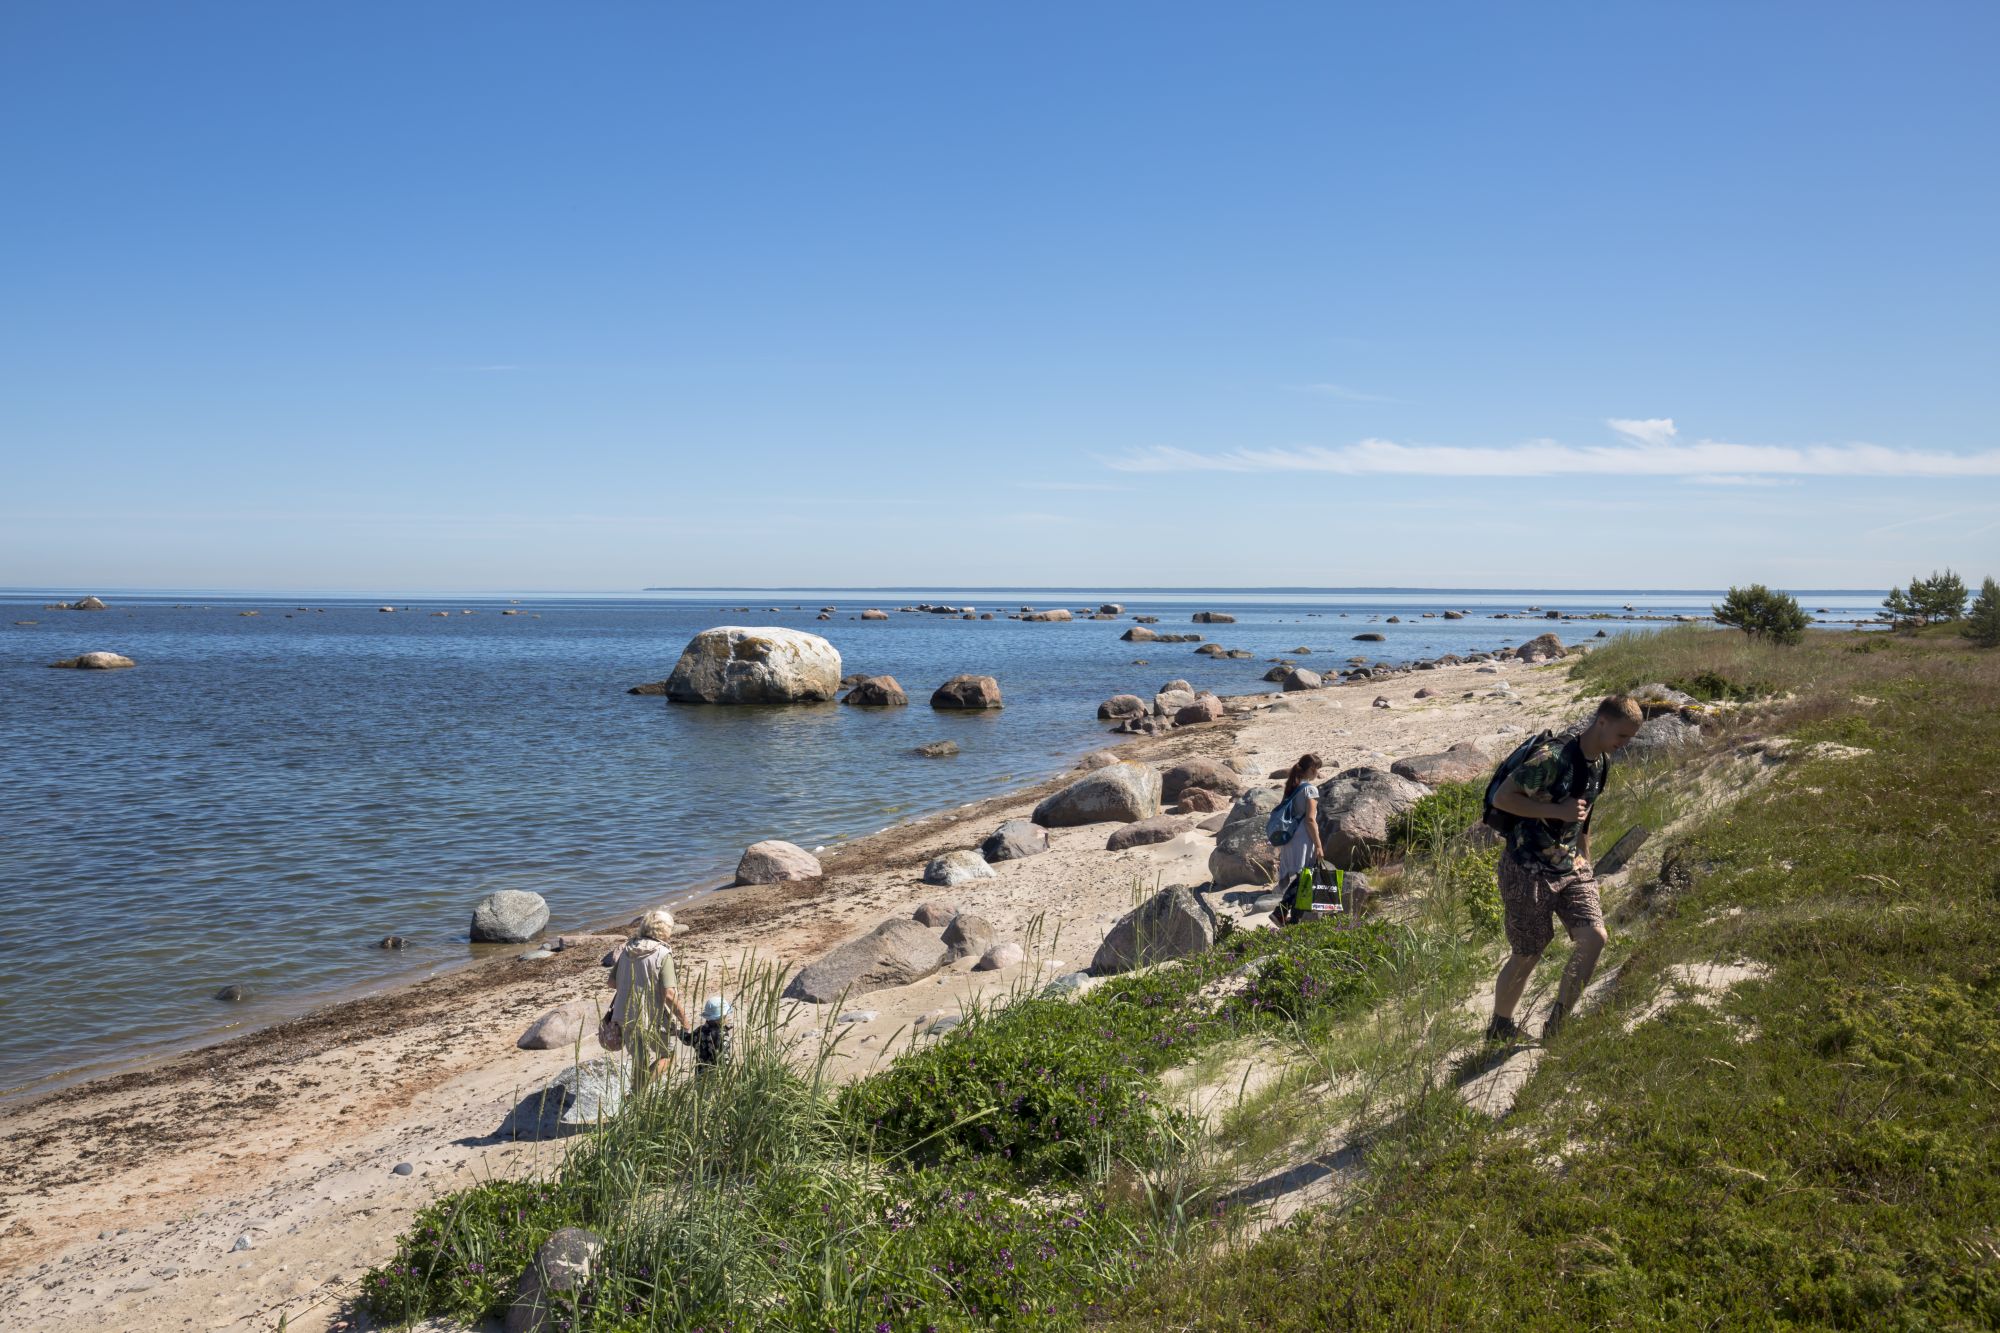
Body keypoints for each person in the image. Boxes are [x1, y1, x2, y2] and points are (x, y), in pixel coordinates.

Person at [1485, 695, 1643, 1043]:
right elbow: (1503, 799)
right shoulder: (1552, 758)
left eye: (1629, 738)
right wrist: (1559, 813)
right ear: (1601, 722)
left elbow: (1585, 813)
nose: (1624, 744)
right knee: (1528, 953)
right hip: (1526, 868)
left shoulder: (1600, 762)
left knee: (1594, 938)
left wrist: (1585, 857)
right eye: (1622, 736)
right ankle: (1499, 1026)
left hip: (1569, 867)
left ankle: (1557, 1026)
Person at [608, 908, 689, 1090]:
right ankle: (639, 1090)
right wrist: (684, 1021)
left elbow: (612, 983)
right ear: (664, 930)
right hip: (653, 1017)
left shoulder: (627, 949)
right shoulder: (662, 953)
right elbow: (669, 994)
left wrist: (632, 984)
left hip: (625, 1015)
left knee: (639, 1060)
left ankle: (636, 1098)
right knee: (667, 1055)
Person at [1273, 753, 1327, 923]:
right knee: (1306, 876)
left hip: (1290, 838)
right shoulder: (1310, 789)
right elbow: (1310, 819)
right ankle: (1280, 912)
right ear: (1312, 769)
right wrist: (1318, 845)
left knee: (1303, 877)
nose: (1318, 773)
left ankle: (1295, 920)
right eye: (1317, 769)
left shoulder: (1293, 788)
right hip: (1303, 838)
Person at [677, 996, 734, 1072]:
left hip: (701, 1075)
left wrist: (681, 1031)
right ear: (722, 1016)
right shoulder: (723, 1034)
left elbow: (686, 1040)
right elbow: (725, 1059)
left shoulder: (700, 1031)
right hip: (717, 1076)